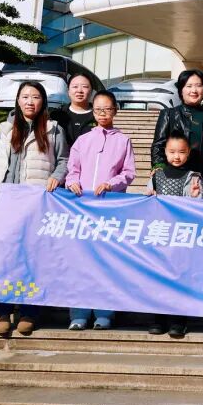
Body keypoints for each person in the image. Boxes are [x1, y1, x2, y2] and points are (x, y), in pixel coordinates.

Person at [0, 81, 69, 338]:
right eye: (25, 96)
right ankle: (2, 312)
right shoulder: (4, 129)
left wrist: (56, 177)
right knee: (4, 258)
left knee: (31, 259)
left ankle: (28, 313)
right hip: (4, 203)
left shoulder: (54, 129)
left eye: (35, 97)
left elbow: (64, 160)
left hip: (34, 205)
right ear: (18, 100)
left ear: (43, 102)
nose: (30, 101)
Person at [64, 90, 136, 330]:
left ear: (115, 110)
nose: (103, 114)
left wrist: (111, 184)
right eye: (98, 110)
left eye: (107, 109)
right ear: (92, 112)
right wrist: (72, 182)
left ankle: (105, 312)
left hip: (110, 210)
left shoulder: (123, 140)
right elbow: (72, 169)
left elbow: (129, 173)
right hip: (82, 210)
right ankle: (79, 313)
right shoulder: (83, 140)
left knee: (107, 262)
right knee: (81, 262)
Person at [145, 131, 203, 338]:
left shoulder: (193, 177)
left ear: (188, 153)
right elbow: (146, 203)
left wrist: (195, 197)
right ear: (165, 152)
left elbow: (199, 208)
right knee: (158, 277)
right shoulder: (156, 176)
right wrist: (149, 196)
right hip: (160, 235)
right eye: (172, 152)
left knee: (180, 278)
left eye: (181, 152)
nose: (176, 156)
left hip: (181, 237)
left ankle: (178, 320)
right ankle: (158, 318)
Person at [152, 69, 203, 197]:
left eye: (198, 85)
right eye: (189, 86)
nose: (194, 90)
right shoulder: (169, 115)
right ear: (181, 90)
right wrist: (158, 170)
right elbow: (158, 145)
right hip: (174, 179)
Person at [49, 74, 96, 146]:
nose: (79, 90)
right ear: (68, 91)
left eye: (85, 87)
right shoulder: (57, 116)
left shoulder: (99, 116)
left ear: (92, 91)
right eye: (75, 87)